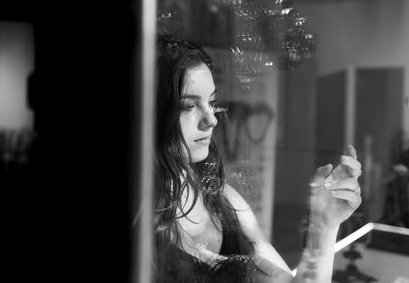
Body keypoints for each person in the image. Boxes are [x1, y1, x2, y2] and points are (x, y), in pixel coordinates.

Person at [153, 34, 362, 282]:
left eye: (211, 102)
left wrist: (324, 225)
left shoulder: (225, 200)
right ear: (151, 111)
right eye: (189, 106)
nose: (211, 120)